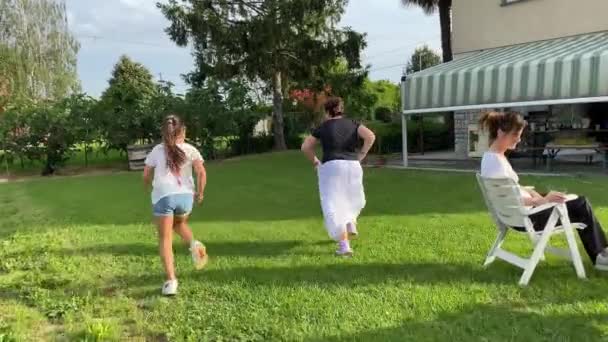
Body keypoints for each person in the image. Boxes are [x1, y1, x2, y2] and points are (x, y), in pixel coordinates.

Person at [479, 111, 608, 270]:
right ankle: (600, 256)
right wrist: (543, 200)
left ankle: (602, 252)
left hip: (514, 215)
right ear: (500, 132)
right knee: (580, 204)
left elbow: (508, 192)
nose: (518, 139)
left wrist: (533, 193)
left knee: (569, 200)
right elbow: (513, 198)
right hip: (528, 218)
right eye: (515, 135)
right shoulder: (497, 162)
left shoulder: (490, 158)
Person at [301, 97, 376, 256]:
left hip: (332, 168)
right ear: (341, 109)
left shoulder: (323, 127)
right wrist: (361, 154)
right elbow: (370, 136)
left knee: (334, 205)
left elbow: (306, 146)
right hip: (353, 167)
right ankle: (350, 224)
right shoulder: (354, 123)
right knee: (350, 198)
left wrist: (315, 161)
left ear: (327, 111)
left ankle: (344, 246)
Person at [143, 114, 209, 296]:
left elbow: (146, 173)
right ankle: (194, 245)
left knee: (165, 239)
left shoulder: (157, 150)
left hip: (164, 196)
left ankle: (171, 281)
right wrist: (200, 193)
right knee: (179, 224)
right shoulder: (190, 149)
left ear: (164, 132)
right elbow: (201, 172)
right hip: (185, 197)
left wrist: (147, 186)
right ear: (183, 131)